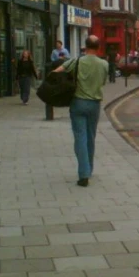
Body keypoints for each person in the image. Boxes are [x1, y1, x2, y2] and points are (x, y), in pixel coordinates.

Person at [52, 35, 108, 187]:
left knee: (80, 138)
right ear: (98, 47)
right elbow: (103, 82)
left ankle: (83, 174)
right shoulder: (104, 64)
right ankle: (89, 169)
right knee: (90, 137)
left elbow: (57, 71)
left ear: (86, 46)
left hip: (78, 103)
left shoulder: (76, 61)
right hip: (94, 104)